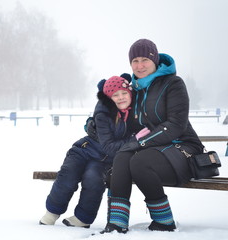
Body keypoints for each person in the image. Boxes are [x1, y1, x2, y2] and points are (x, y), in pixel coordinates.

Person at [99, 39, 205, 234]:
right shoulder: (135, 90)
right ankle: (116, 224)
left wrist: (140, 141)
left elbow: (176, 125)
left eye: (144, 60)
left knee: (140, 161)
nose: (140, 66)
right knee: (122, 158)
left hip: (182, 148)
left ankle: (163, 221)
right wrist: (97, 122)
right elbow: (119, 112)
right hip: (152, 148)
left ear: (154, 60)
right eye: (135, 61)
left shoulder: (173, 84)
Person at [39, 74, 149, 228]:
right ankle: (52, 212)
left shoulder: (134, 113)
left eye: (124, 93)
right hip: (84, 150)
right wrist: (134, 139)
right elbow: (109, 146)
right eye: (115, 95)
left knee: (94, 179)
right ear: (109, 99)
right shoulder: (103, 113)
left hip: (104, 160)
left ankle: (82, 218)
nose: (121, 97)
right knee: (68, 175)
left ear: (130, 93)